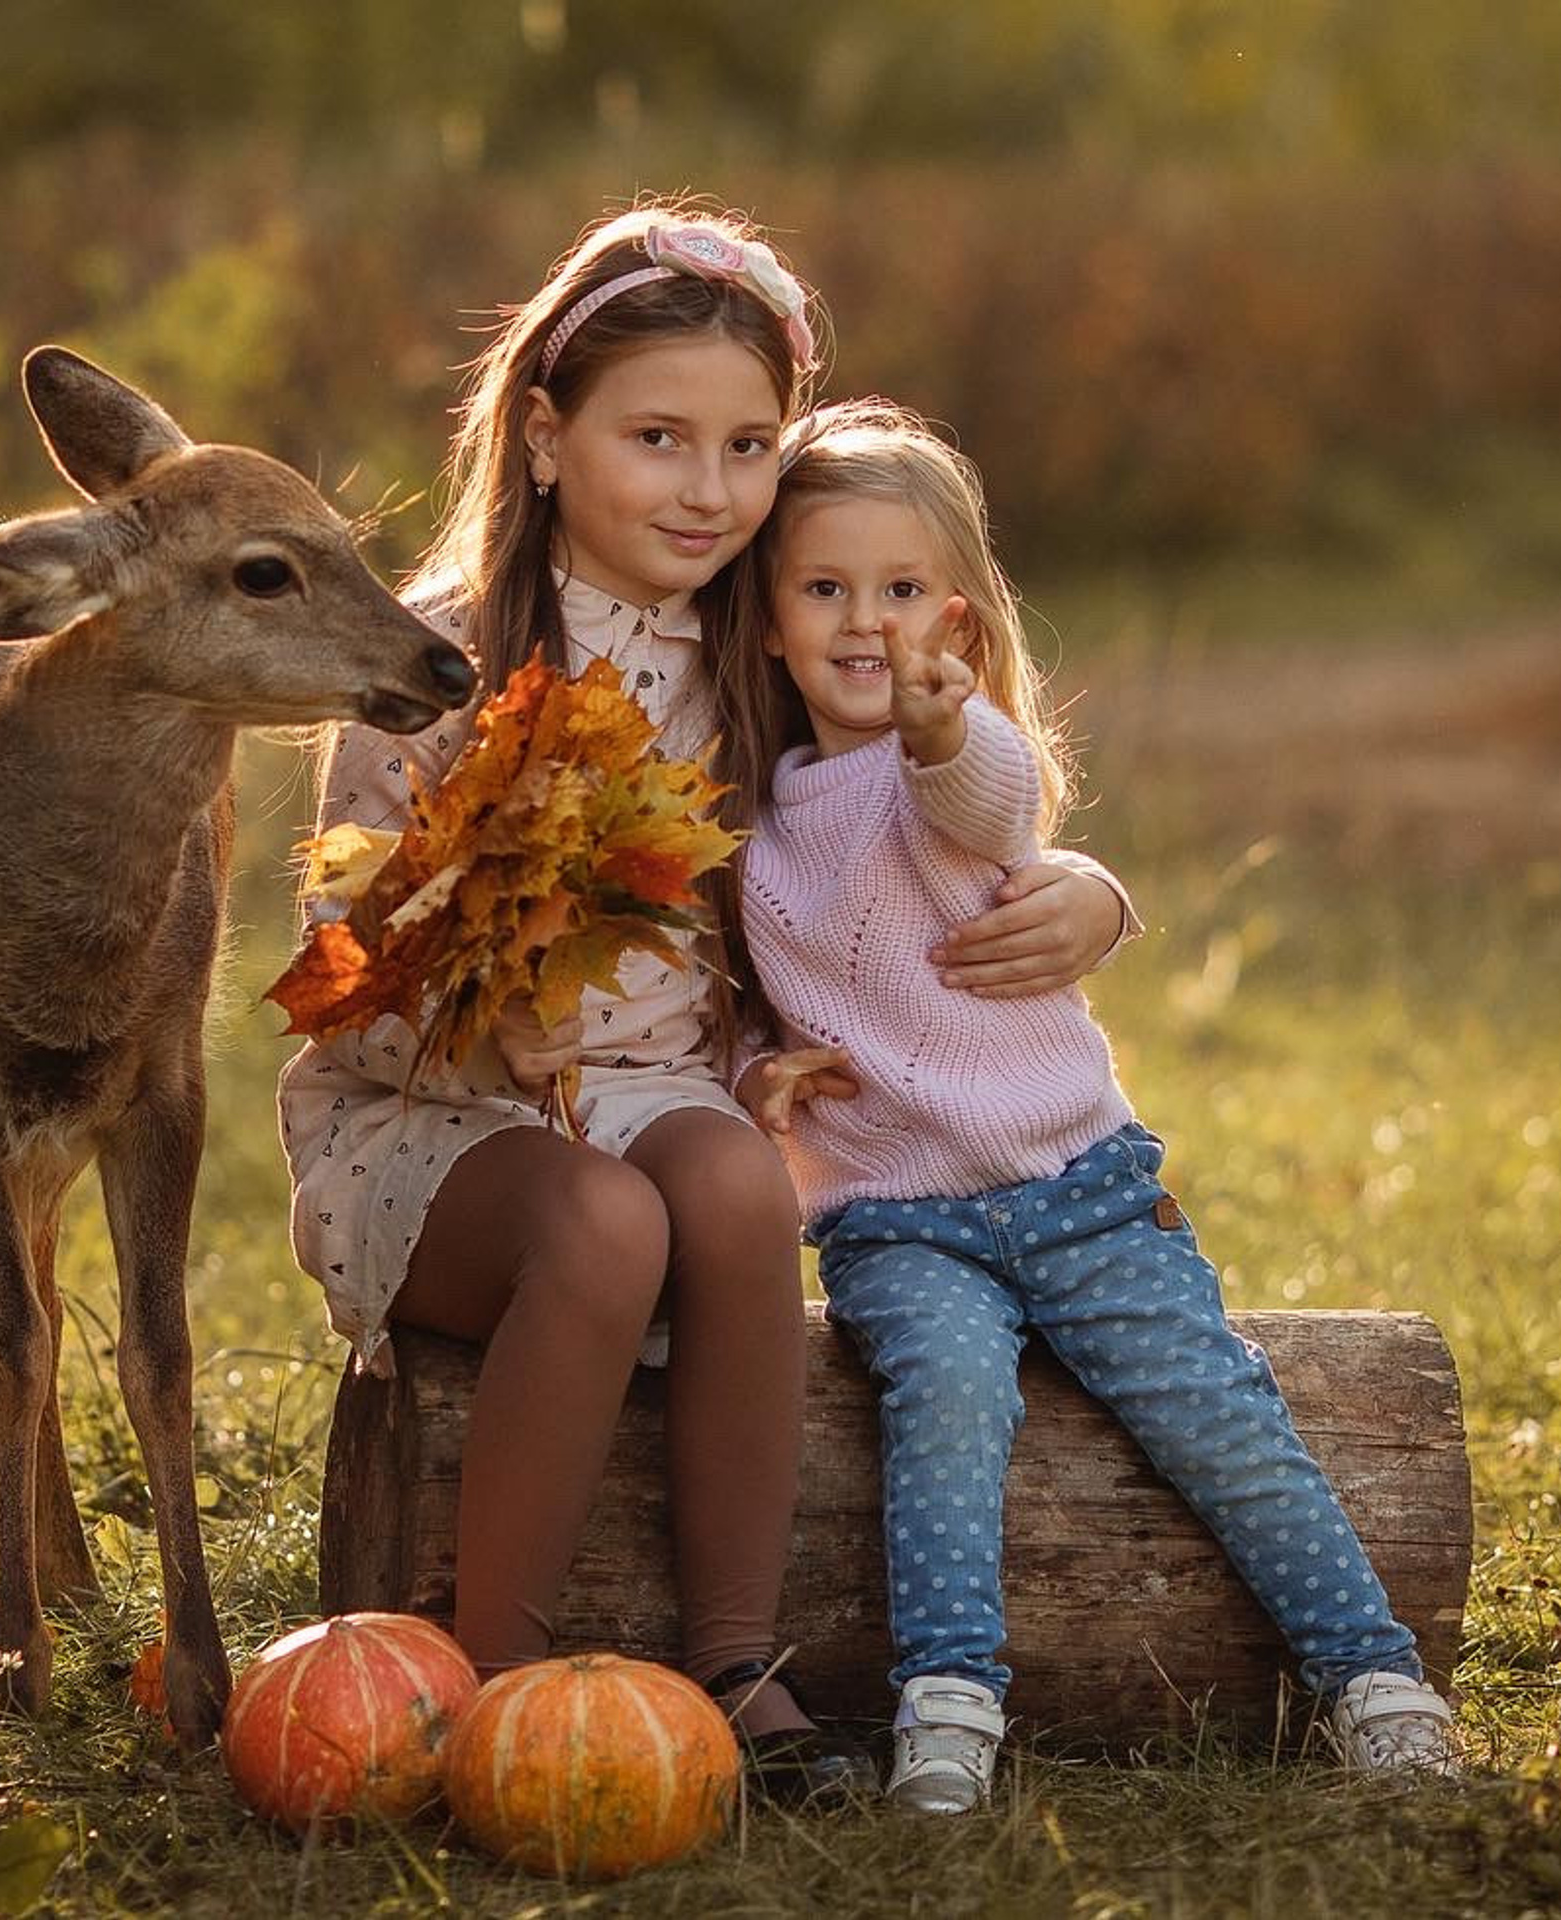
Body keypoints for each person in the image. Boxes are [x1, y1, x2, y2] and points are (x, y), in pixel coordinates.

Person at [276, 205, 1135, 1802]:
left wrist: (1085, 887)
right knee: (602, 1224)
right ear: (544, 435)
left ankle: (734, 1661)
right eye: (657, 437)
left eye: (749, 445)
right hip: (433, 1115)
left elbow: (937, 797)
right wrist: (462, 1021)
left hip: (663, 1094)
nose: (709, 487)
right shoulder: (443, 659)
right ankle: (498, 1678)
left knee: (733, 1188)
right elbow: (335, 967)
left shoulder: (757, 638)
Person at [725, 399, 1460, 1814]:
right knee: (944, 1407)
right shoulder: (755, 834)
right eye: (824, 590)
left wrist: (949, 730)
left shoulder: (949, 764)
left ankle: (1375, 1677)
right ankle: (951, 1703)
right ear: (765, 622)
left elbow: (997, 807)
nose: (864, 626)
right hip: (897, 1223)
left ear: (956, 625)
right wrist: (759, 1078)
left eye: (898, 596)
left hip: (1080, 1190)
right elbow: (752, 1015)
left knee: (1215, 1411)